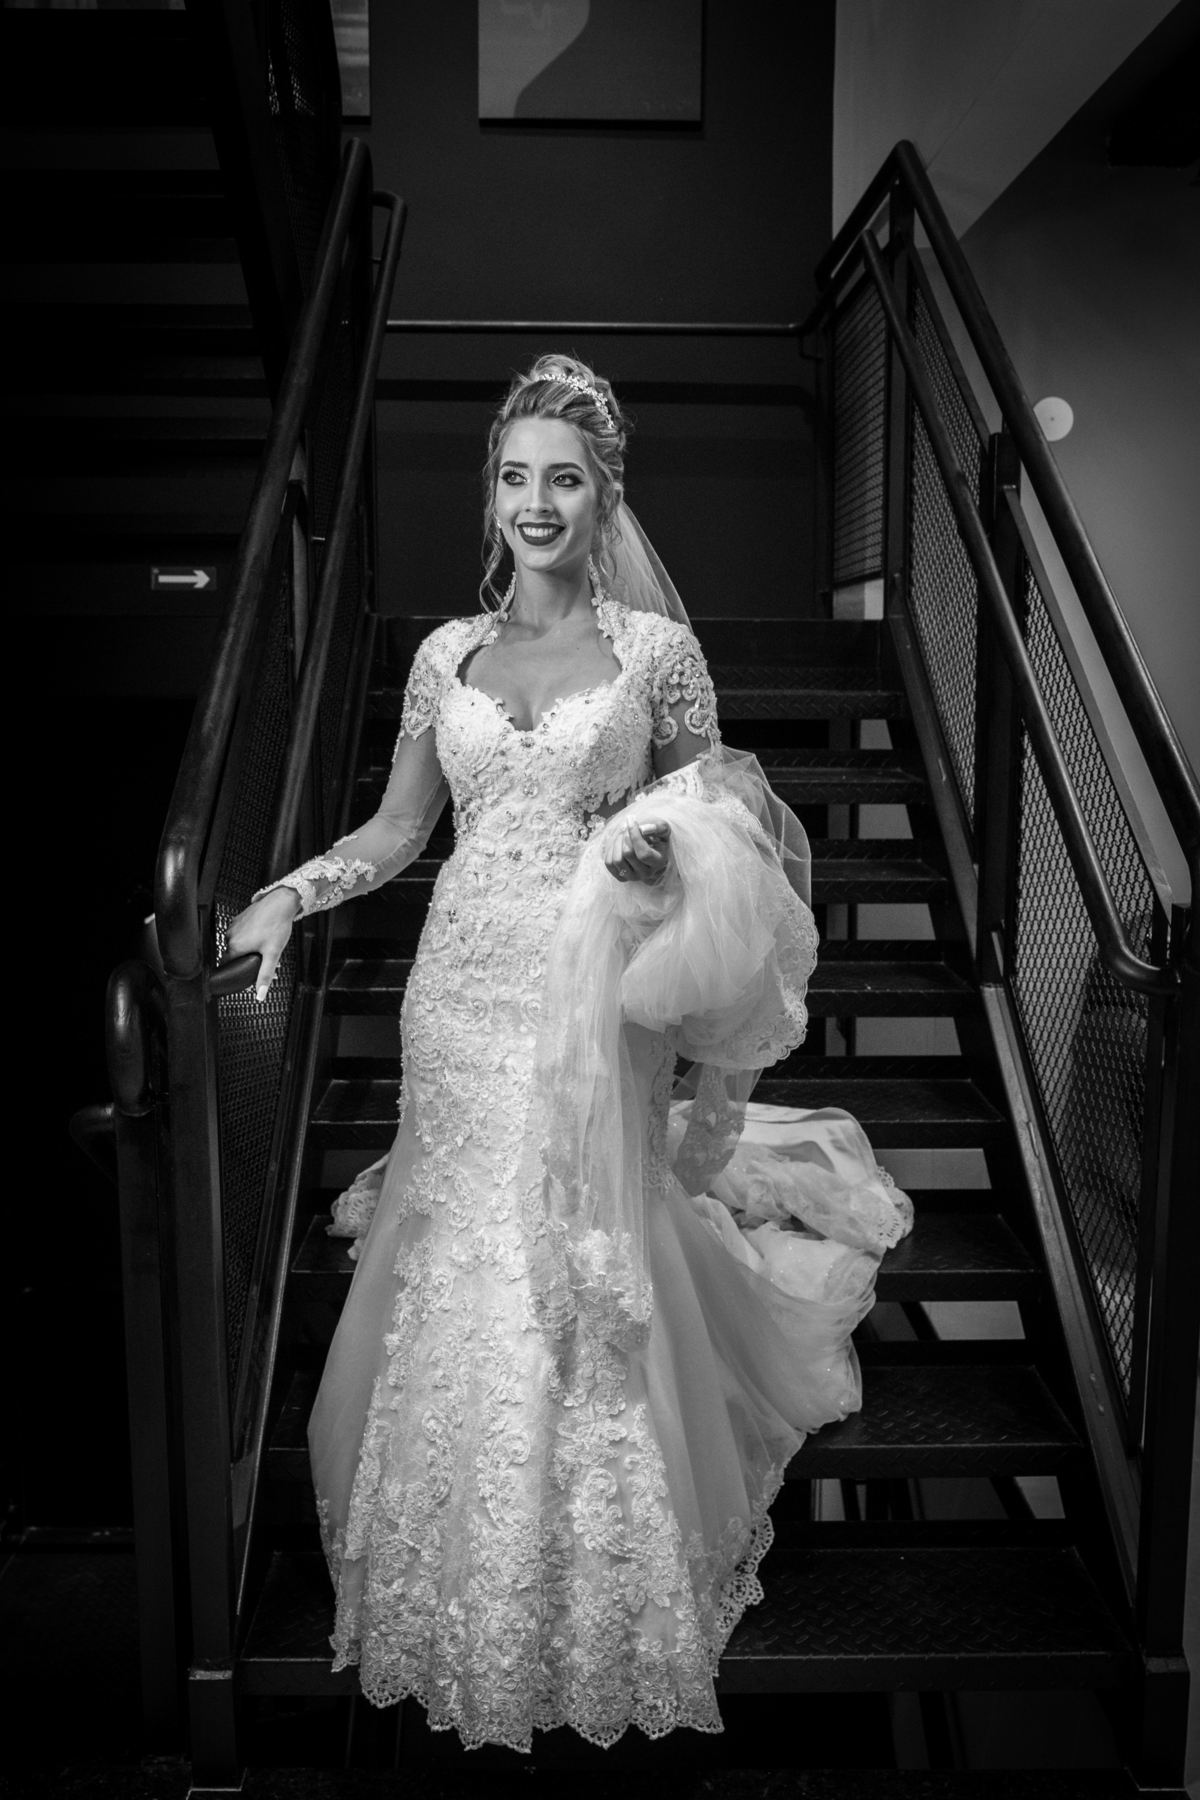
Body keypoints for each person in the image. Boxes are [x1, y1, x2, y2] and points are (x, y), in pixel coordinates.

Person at [228, 355, 912, 1753]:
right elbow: (400, 830)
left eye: (565, 478)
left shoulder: (655, 654)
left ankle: (598, 1566)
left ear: (605, 497)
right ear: (491, 493)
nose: (536, 501)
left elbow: (726, 813)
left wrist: (662, 854)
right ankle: (459, 1561)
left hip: (589, 995)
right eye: (514, 476)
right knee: (466, 1246)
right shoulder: (446, 656)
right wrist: (292, 893)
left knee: (577, 1241)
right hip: (459, 993)